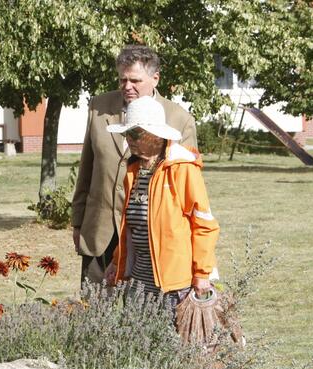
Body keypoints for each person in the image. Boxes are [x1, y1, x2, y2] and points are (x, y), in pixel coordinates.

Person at [71, 44, 198, 288]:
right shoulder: (98, 107)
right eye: (122, 80)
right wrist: (78, 222)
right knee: (94, 315)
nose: (127, 87)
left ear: (155, 78)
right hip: (100, 232)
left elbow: (188, 191)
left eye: (135, 80)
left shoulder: (180, 119)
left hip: (151, 237)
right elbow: (87, 168)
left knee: (145, 313)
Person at [103, 96, 219, 307]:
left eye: (134, 132)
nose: (128, 138)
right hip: (138, 282)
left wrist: (202, 273)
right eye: (126, 133)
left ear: (156, 135)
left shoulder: (182, 168)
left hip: (174, 287)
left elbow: (204, 224)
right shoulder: (133, 171)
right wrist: (116, 261)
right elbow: (131, 228)